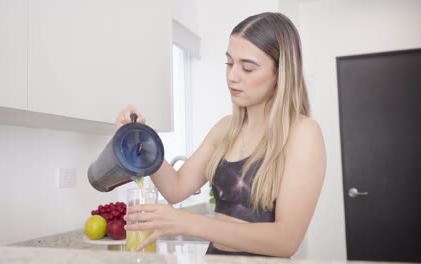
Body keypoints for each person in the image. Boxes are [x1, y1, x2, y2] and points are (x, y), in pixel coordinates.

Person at [118, 12, 326, 257]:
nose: (232, 76)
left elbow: (285, 241)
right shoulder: (226, 128)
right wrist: (141, 137)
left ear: (280, 74)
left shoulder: (303, 133)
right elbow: (175, 188)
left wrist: (188, 222)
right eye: (229, 63)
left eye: (247, 68)